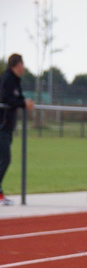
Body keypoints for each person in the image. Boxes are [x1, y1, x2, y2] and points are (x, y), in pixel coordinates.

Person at [0, 53, 35, 206]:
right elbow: (5, 98)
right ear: (18, 64)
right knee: (5, 159)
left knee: (3, 159)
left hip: (7, 127)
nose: (24, 67)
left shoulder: (15, 80)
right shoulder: (7, 78)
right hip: (1, 126)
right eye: (23, 63)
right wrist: (22, 103)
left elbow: (18, 98)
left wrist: (25, 101)